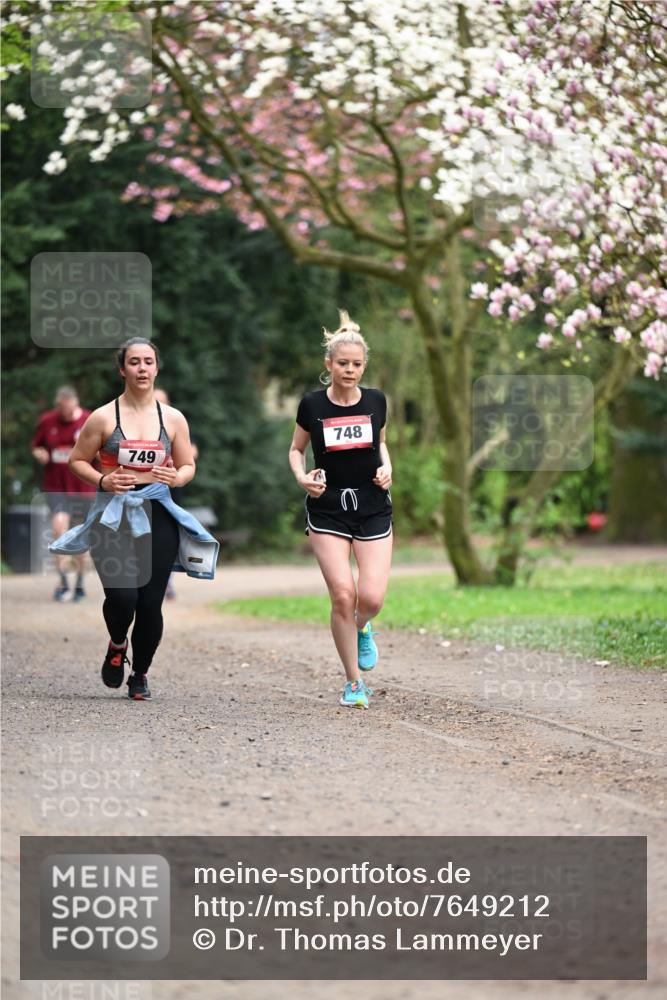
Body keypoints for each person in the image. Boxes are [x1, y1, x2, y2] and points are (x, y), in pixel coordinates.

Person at [49, 338, 219, 701]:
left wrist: (179, 477)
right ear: (122, 369)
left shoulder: (172, 419)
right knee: (123, 597)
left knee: (149, 602)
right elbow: (77, 460)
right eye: (134, 362)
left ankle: (139, 673)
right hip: (113, 514)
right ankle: (116, 644)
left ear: (157, 368)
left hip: (157, 512)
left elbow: (188, 465)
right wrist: (103, 480)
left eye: (148, 362)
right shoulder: (103, 417)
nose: (142, 368)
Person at [289, 310, 393, 710]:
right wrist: (301, 478)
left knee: (370, 598)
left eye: (357, 364)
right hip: (327, 507)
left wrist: (387, 469)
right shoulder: (312, 405)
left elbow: (380, 445)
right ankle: (353, 682)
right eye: (343, 363)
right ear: (329, 365)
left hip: (371, 506)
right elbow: (296, 450)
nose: (350, 370)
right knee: (342, 595)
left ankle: (363, 627)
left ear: (364, 366)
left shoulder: (376, 401)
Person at [31, 386, 96, 602]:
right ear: (58, 406)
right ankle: (62, 581)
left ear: (76, 403)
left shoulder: (89, 420)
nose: (66, 413)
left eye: (70, 408)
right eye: (62, 408)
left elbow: (102, 450)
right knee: (59, 530)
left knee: (80, 537)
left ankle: (79, 584)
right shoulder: (48, 421)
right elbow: (37, 446)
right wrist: (40, 453)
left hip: (84, 488)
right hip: (56, 486)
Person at [153, 387, 200, 599]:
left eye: (162, 401)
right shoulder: (138, 426)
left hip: (171, 490)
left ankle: (167, 581)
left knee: (169, 537)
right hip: (143, 491)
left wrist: (174, 460)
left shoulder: (177, 423)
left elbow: (192, 453)